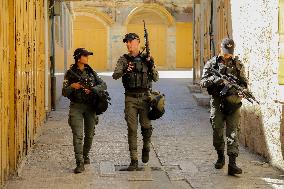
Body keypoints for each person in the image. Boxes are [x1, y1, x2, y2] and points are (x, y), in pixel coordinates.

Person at [200, 38, 248, 176]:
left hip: (233, 102)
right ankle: (220, 156)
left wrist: (242, 91)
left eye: (230, 52)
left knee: (233, 132)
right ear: (221, 49)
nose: (228, 55)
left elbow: (244, 83)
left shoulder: (237, 64)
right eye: (226, 52)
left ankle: (232, 163)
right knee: (217, 131)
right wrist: (215, 79)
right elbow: (202, 82)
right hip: (217, 102)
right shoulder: (212, 63)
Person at [112, 33, 159, 171]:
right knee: (132, 129)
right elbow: (115, 75)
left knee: (146, 127)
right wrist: (126, 70)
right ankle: (134, 159)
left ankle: (146, 147)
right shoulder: (124, 59)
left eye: (130, 41)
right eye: (126, 42)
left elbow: (156, 78)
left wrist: (151, 65)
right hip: (130, 98)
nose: (127, 44)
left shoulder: (147, 58)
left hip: (145, 97)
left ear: (138, 42)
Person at [62, 48, 107, 174]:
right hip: (76, 106)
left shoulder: (91, 72)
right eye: (85, 56)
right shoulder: (70, 73)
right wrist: (72, 86)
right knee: (78, 135)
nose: (87, 57)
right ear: (78, 58)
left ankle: (85, 155)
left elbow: (103, 85)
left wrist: (92, 89)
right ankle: (79, 162)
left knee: (90, 134)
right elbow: (64, 92)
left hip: (90, 106)